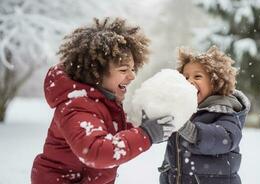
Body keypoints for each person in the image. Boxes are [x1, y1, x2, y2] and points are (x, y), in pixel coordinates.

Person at [31, 17, 174, 184]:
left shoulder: (100, 102)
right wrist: (145, 134)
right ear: (96, 72)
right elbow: (95, 151)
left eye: (133, 69)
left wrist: (141, 125)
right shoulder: (76, 107)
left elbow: (108, 132)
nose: (132, 76)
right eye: (123, 69)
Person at [158, 46, 251, 184]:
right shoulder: (183, 111)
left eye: (197, 76)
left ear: (215, 83)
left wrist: (195, 133)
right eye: (186, 77)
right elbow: (162, 136)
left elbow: (227, 137)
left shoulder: (224, 110)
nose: (189, 81)